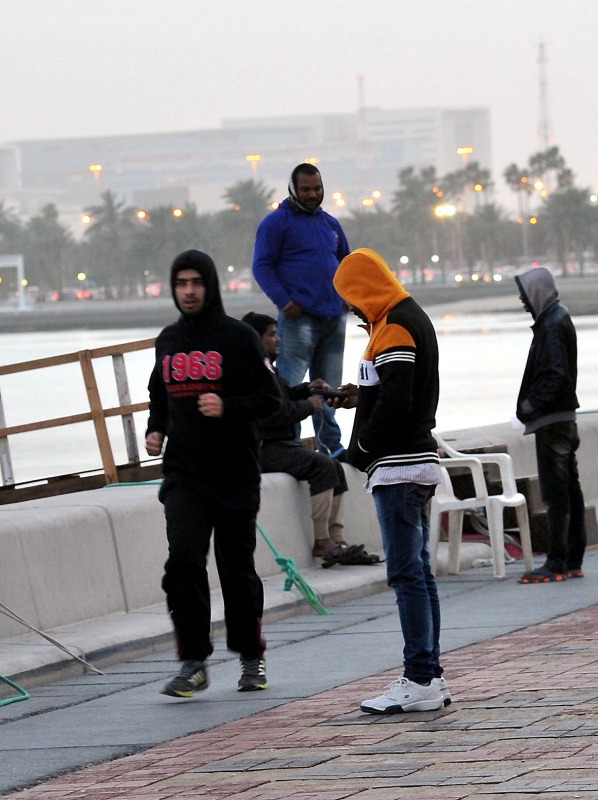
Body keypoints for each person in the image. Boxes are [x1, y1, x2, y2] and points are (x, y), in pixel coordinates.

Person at [145, 250, 282, 697]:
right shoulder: (167, 341)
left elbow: (271, 399)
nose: (188, 291)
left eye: (196, 282)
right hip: (184, 474)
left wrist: (229, 407)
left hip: (235, 473)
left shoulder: (239, 338)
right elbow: (159, 396)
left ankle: (251, 656)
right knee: (183, 563)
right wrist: (156, 429)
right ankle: (193, 661)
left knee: (235, 568)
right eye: (181, 282)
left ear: (210, 286)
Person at [326, 247, 448, 714]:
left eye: (351, 298)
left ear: (363, 290)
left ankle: (419, 678)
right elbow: (396, 388)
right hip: (414, 461)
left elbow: (398, 400)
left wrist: (359, 450)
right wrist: (360, 397)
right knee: (418, 571)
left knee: (405, 574)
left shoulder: (394, 324)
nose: (352, 309)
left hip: (399, 467)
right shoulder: (401, 318)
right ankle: (430, 676)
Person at [240, 311, 379, 567]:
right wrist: (309, 406)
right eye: (272, 335)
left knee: (335, 467)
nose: (279, 339)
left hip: (279, 445)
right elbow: (273, 415)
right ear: (256, 339)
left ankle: (337, 540)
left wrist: (307, 388)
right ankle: (322, 540)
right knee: (322, 466)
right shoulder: (249, 374)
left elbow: (285, 395)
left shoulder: (265, 367)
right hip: (262, 449)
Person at [252, 162, 350, 457]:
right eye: (305, 189)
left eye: (317, 188)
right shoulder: (276, 223)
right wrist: (284, 301)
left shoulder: (330, 224)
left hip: (334, 317)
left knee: (328, 389)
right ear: (293, 189)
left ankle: (330, 447)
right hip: (298, 320)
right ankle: (288, 444)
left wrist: (349, 297)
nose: (312, 194)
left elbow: (347, 262)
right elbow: (261, 265)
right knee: (290, 387)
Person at [513, 266, 587, 584]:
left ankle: (557, 562)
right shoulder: (556, 319)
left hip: (553, 422)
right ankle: (572, 559)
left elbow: (556, 375)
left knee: (557, 493)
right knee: (570, 490)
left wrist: (530, 405)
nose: (522, 300)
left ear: (537, 292)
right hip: (563, 419)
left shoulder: (552, 324)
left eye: (524, 294)